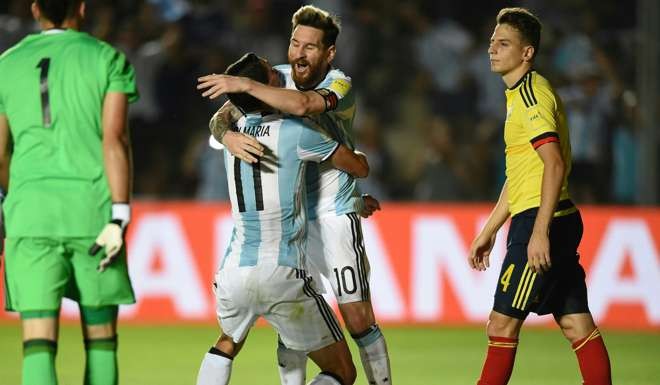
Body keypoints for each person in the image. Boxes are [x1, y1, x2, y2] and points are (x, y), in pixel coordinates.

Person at [197, 5, 391, 385]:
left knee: (356, 318)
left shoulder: (339, 84)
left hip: (333, 212)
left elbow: (305, 105)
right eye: (294, 43)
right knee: (293, 320)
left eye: (310, 47)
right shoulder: (274, 78)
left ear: (328, 53)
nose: (298, 54)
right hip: (292, 216)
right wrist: (229, 135)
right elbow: (220, 117)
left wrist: (247, 86)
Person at [467, 8, 612, 385]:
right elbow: (521, 175)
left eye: (503, 43)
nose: (492, 50)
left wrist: (539, 231)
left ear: (527, 52)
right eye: (491, 42)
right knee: (576, 324)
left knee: (501, 324)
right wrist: (490, 229)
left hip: (541, 220)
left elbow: (555, 165)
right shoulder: (518, 95)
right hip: (548, 217)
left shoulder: (531, 96)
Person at [0, 1, 138, 384]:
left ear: (35, 10)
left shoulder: (6, 64)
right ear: (80, 7)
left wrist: (13, 205)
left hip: (29, 215)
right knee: (101, 339)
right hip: (92, 213)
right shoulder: (107, 59)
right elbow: (115, 139)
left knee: (37, 341)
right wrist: (119, 214)